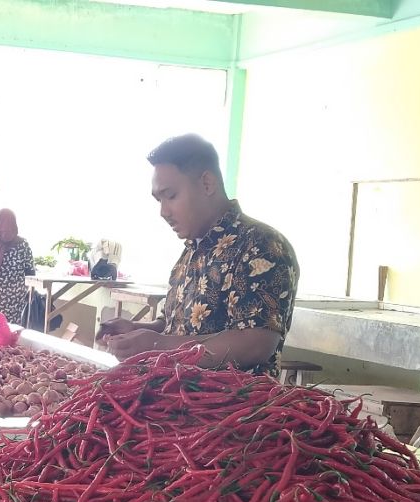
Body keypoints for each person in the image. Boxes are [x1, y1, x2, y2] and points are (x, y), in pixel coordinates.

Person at [99, 134, 299, 377]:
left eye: (171, 196)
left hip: (232, 410)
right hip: (174, 403)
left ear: (207, 183)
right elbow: (173, 327)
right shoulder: (190, 252)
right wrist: (136, 331)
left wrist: (156, 346)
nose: (163, 212)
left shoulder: (261, 245)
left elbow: (256, 343)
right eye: (158, 200)